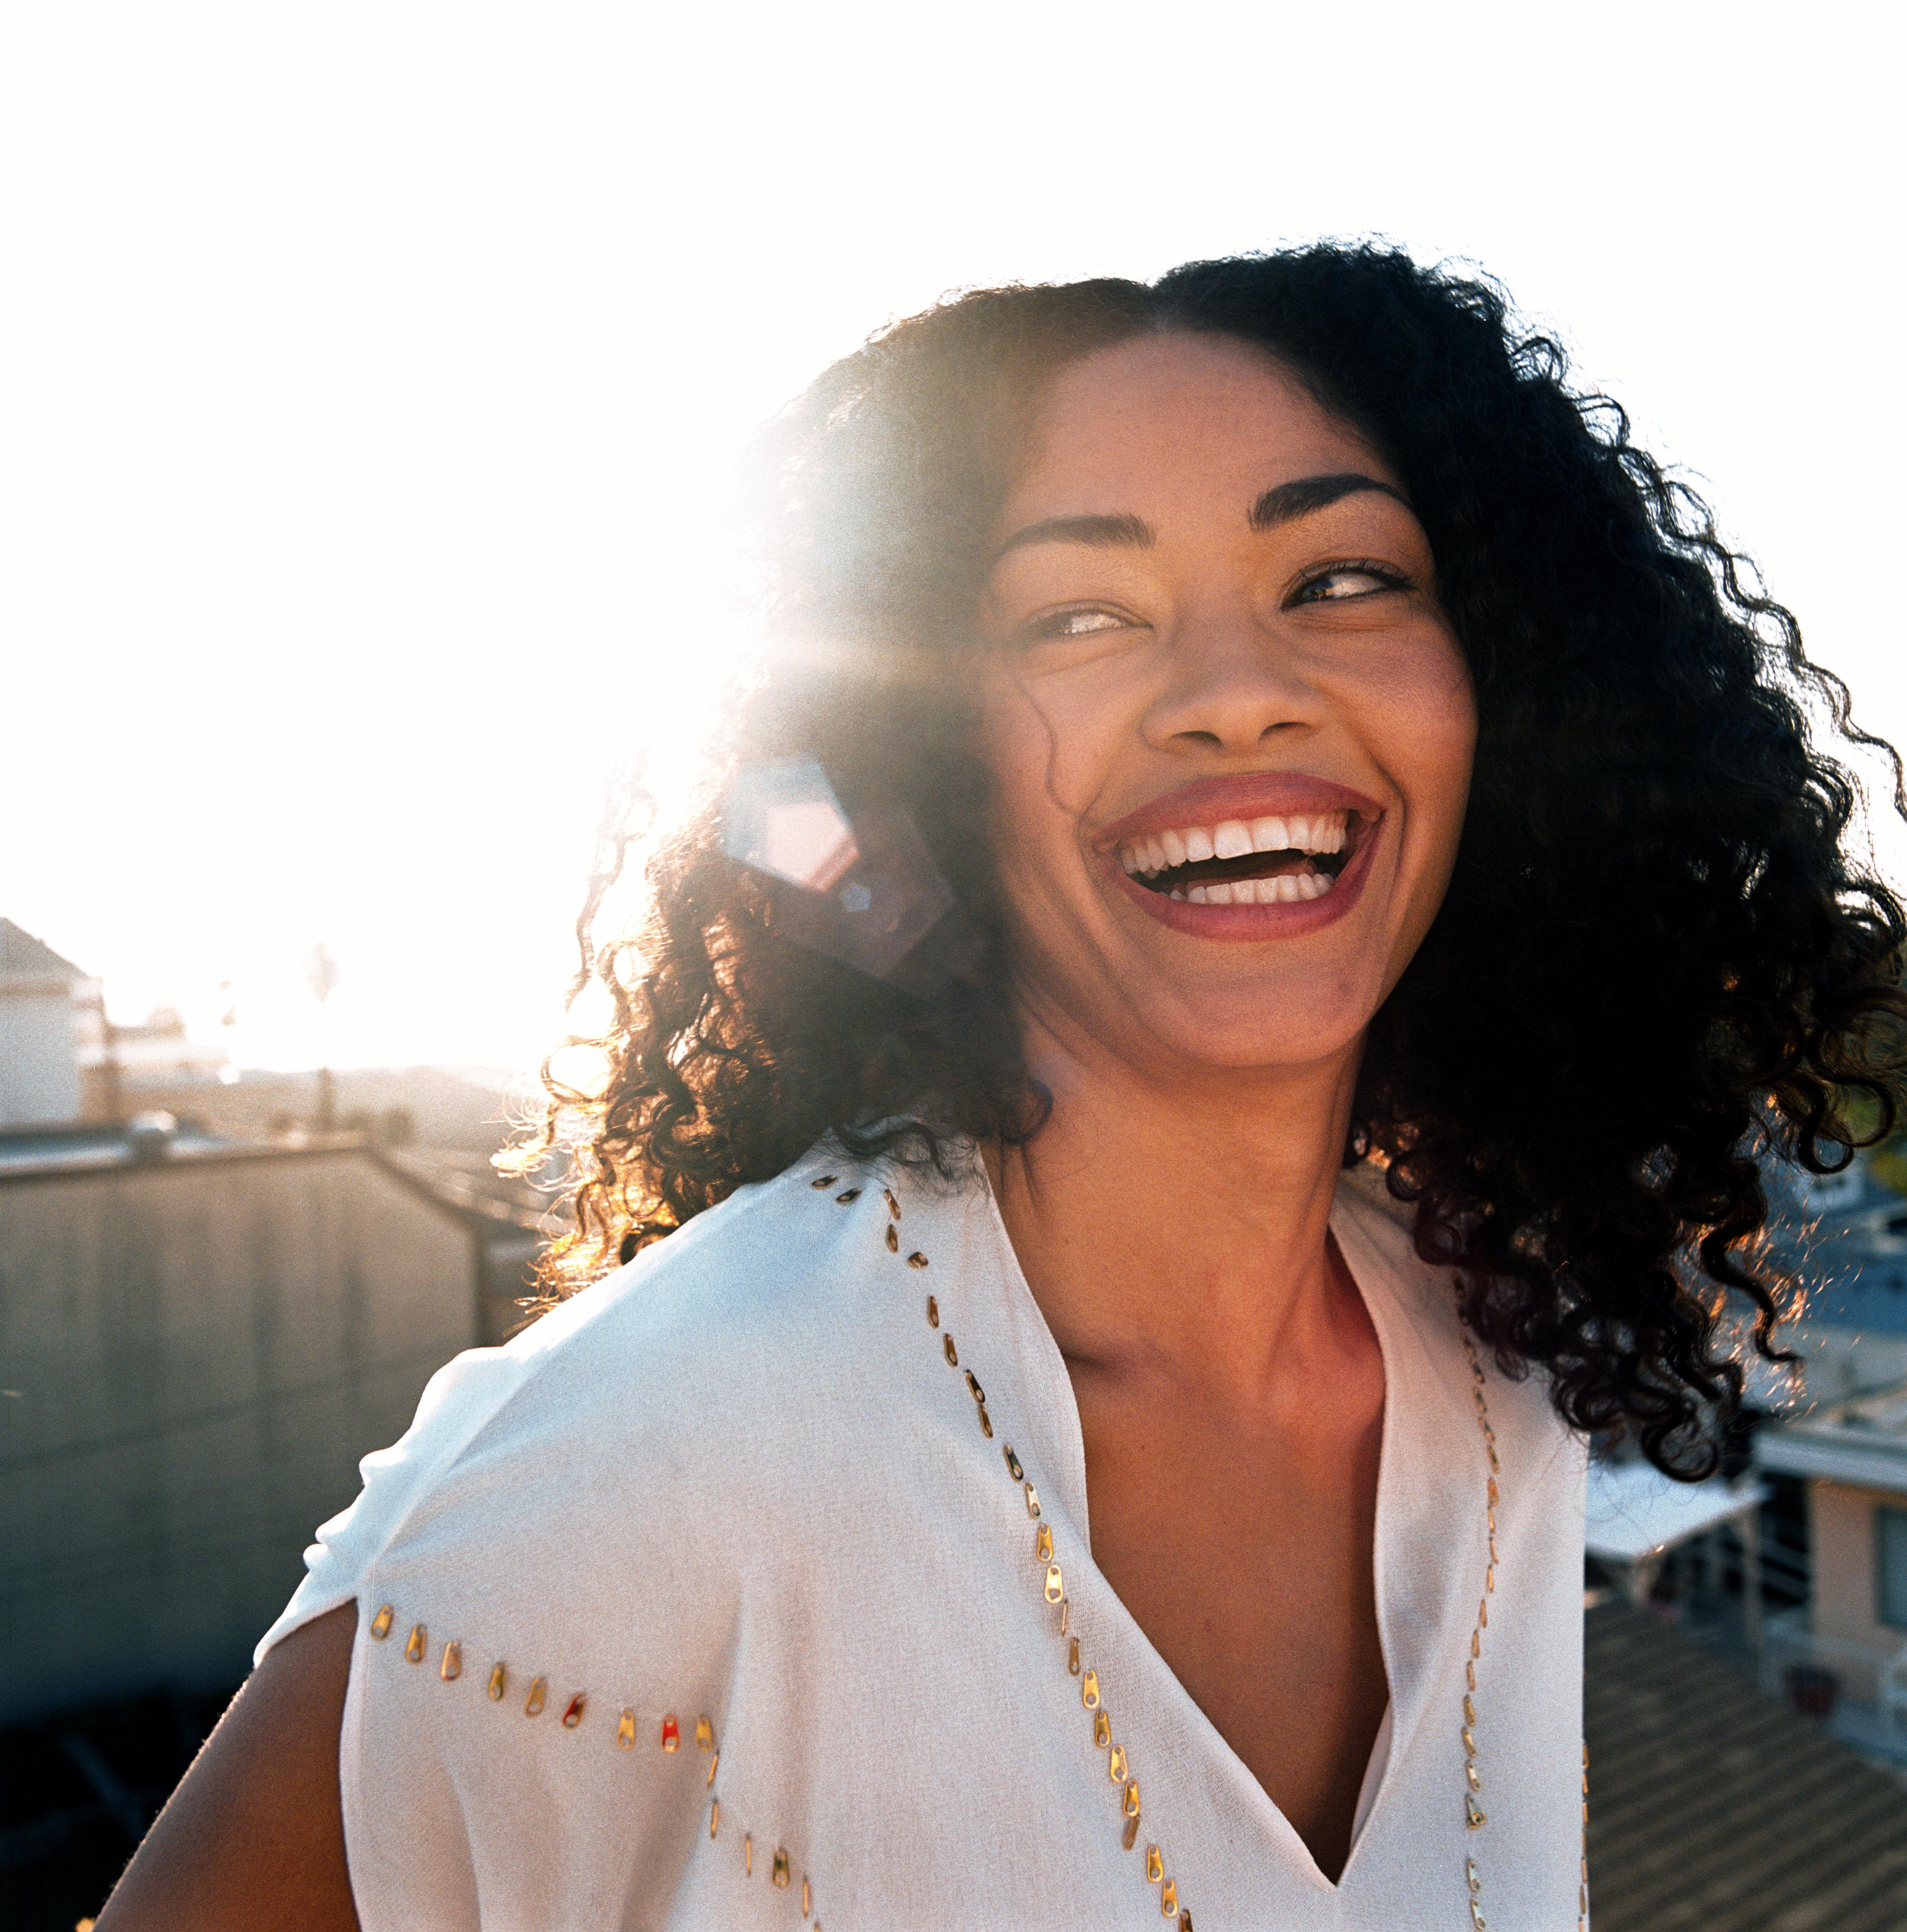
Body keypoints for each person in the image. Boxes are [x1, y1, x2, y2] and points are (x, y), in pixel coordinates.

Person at [97, 245, 1907, 1932]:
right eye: (1077, 615)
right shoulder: (655, 1458)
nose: (1235, 693)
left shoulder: (1489, 1361)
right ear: (929, 750)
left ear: (1499, 683)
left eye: (1339, 578)